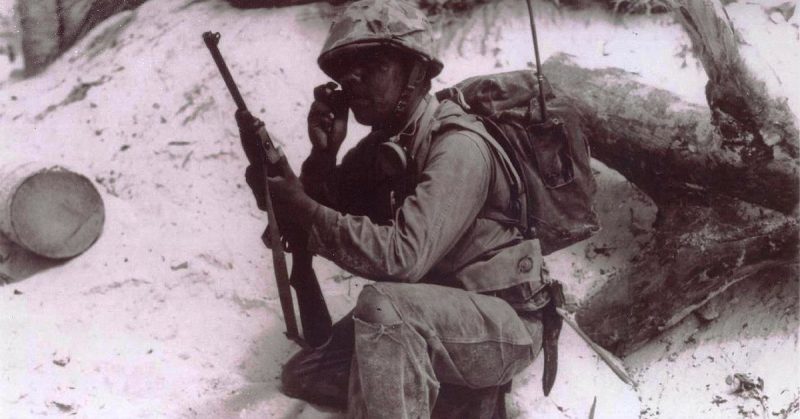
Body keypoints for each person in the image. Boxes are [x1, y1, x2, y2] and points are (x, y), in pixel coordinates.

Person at [237, 0, 553, 417]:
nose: (354, 79)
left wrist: (304, 208)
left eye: (373, 65)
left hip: (502, 323)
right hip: (436, 313)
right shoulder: (385, 148)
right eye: (346, 69)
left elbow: (402, 259)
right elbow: (319, 215)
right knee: (307, 374)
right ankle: (447, 394)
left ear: (417, 72)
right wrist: (321, 158)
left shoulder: (458, 145)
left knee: (383, 306)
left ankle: (460, 390)